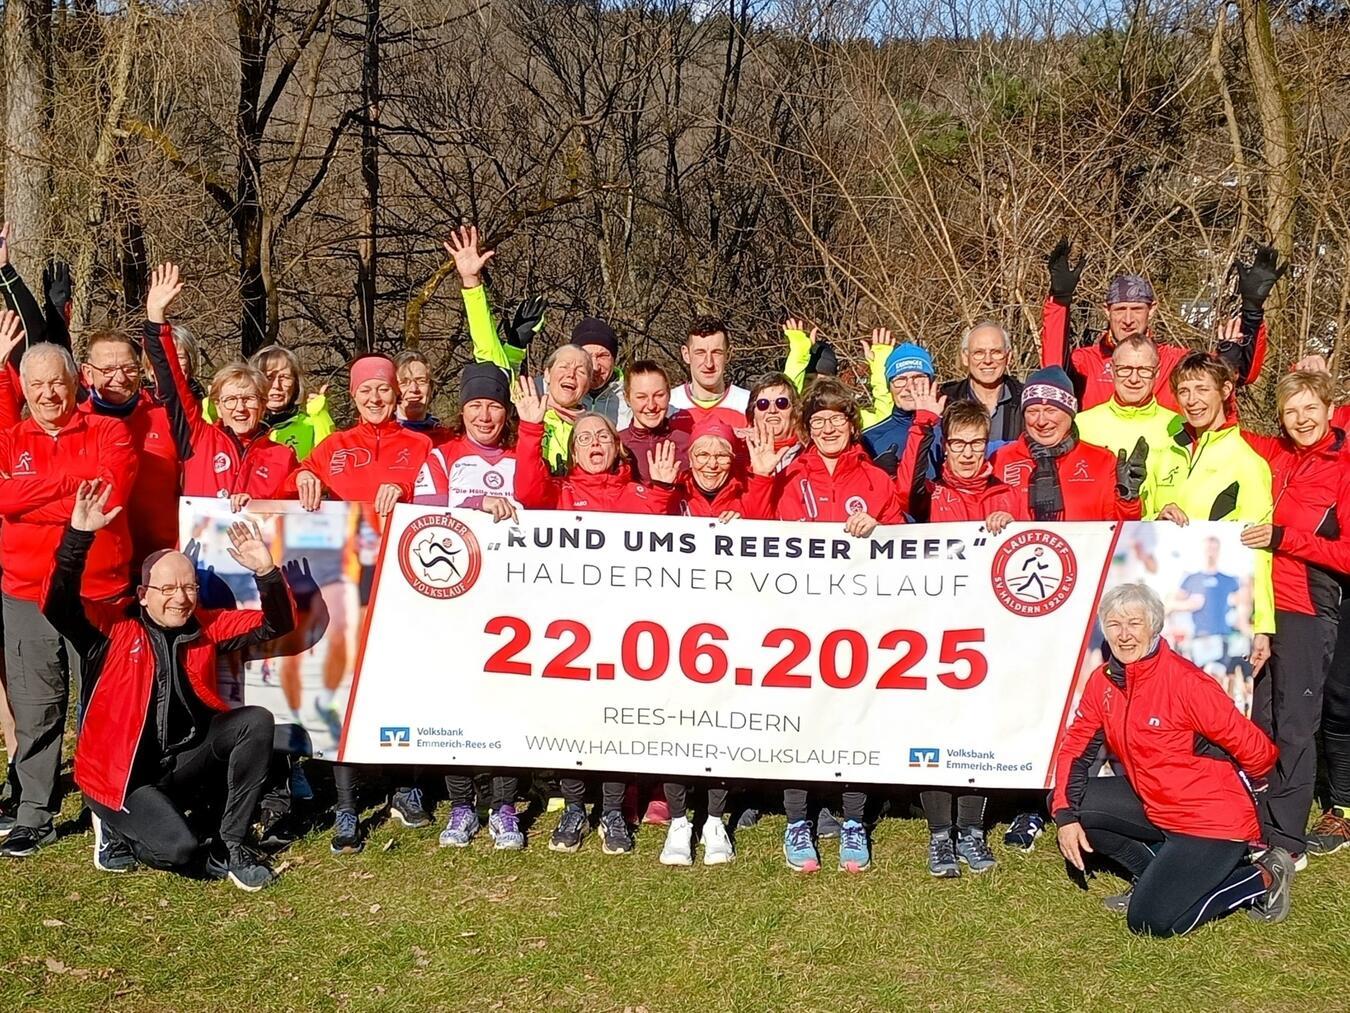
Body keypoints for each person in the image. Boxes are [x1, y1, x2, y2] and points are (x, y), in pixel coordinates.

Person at [46, 481, 294, 890]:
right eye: (167, 589)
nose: (180, 598)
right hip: (123, 775)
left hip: (180, 759)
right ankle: (112, 822)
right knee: (180, 850)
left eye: (189, 587)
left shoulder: (206, 627)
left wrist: (266, 572)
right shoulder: (110, 630)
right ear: (143, 595)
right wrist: (78, 538)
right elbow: (58, 603)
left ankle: (231, 844)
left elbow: (277, 624)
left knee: (256, 721)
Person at [1052, 583, 1293, 935]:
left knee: (1150, 922)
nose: (1124, 635)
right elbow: (1076, 745)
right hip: (1155, 802)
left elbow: (1259, 751)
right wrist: (1064, 817)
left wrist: (1220, 771)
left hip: (1208, 821)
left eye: (1134, 623)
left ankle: (1262, 878)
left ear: (1154, 627)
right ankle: (1154, 877)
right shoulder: (1102, 681)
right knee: (1070, 803)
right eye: (1114, 624)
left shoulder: (1187, 684)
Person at [514, 375, 679, 854]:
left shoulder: (640, 493)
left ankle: (612, 810)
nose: (593, 444)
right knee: (572, 719)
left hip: (624, 632)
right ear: (573, 448)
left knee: (616, 722)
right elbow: (529, 492)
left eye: (603, 436)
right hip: (571, 630)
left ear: (618, 446)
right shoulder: (560, 491)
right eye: (583, 437)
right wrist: (529, 431)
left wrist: (665, 492)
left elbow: (673, 549)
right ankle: (573, 806)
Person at [746, 377, 904, 874]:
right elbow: (754, 529)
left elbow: (906, 544)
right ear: (806, 428)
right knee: (801, 718)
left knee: (855, 717)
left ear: (852, 424)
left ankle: (853, 817)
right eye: (818, 420)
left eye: (837, 418)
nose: (829, 427)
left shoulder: (876, 480)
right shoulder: (790, 475)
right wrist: (762, 478)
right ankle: (798, 819)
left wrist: (880, 530)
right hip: (800, 623)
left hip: (860, 623)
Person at [287, 354, 433, 855]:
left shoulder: (420, 444)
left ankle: (405, 785)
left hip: (404, 586)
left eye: (384, 390)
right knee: (344, 691)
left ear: (398, 395)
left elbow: (440, 498)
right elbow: (297, 479)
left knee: (403, 687)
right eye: (366, 391)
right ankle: (347, 802)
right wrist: (303, 478)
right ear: (352, 397)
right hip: (345, 587)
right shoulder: (334, 447)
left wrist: (408, 486)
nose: (375, 399)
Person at [0, 343, 137, 858]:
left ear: (74, 381)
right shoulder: (10, 438)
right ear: (25, 390)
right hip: (26, 593)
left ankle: (108, 811)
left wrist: (28, 494)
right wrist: (66, 488)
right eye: (35, 385)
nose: (47, 393)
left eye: (55, 381)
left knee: (101, 706)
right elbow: (2, 499)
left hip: (97, 593)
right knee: (37, 708)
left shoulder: (109, 431)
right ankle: (35, 811)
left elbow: (108, 495)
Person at [1235, 370, 1350, 862]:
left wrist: (1284, 538)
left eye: (1310, 409)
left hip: (1307, 605)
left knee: (1295, 723)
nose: (1301, 419)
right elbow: (1224, 423)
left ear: (1329, 409)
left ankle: (1286, 839)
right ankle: (1253, 821)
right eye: (1290, 411)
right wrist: (1235, 358)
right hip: (1259, 602)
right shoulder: (1274, 453)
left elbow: (1346, 553)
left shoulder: (1343, 466)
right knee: (1257, 715)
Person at [1142, 353, 1275, 667]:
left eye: (1202, 389)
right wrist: (1156, 519)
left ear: (1226, 390)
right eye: (1185, 391)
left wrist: (1262, 625)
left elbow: (1260, 548)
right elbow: (1139, 524)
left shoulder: (1247, 463)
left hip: (1214, 612)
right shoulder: (1162, 455)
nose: (1192, 400)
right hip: (1160, 598)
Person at [1040, 239, 1281, 411]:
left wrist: (1251, 312)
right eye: (1120, 310)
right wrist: (1060, 301)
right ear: (1107, 311)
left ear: (1152, 310)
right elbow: (1052, 369)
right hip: (1099, 470)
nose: (1127, 319)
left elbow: (1239, 377)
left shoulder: (1175, 361)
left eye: (1136, 309)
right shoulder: (1085, 362)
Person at [143, 263, 298, 503]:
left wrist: (258, 504)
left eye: (248, 399)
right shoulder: (199, 438)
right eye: (230, 400)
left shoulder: (282, 457)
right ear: (217, 404)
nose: (239, 408)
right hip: (202, 539)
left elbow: (294, 518)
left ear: (264, 403)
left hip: (258, 540)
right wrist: (156, 319)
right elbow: (172, 383)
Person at [991, 365, 1145, 524]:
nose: (1041, 421)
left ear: (1070, 413)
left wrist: (1128, 498)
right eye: (1033, 412)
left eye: (1051, 410)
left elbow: (1121, 531)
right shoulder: (1001, 459)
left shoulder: (1102, 461)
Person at [896, 387, 1024, 531]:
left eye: (976, 443)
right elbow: (906, 493)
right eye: (958, 443)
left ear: (986, 444)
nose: (967, 453)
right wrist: (922, 424)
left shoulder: (1009, 495)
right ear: (945, 446)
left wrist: (1015, 526)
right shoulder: (933, 495)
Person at [1075, 336, 1182, 482]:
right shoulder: (1081, 425)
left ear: (1157, 372)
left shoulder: (1180, 427)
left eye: (1144, 370)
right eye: (1125, 369)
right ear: (1112, 370)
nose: (1133, 379)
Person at [859, 332, 941, 480]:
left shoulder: (951, 429)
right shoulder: (870, 439)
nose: (909, 387)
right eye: (900, 379)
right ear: (889, 386)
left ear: (931, 382)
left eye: (918, 378)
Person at [939, 321, 1024, 447]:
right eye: (979, 353)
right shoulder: (946, 401)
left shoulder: (1026, 400)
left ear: (1009, 357)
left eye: (996, 352)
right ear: (965, 357)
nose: (988, 360)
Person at [247, 344, 336, 461]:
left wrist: (321, 417)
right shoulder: (243, 425)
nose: (276, 385)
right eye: (269, 377)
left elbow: (329, 461)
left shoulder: (309, 425)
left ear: (296, 384)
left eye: (284, 377)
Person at [619, 360, 694, 483]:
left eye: (659, 395)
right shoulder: (618, 446)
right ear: (627, 398)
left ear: (669, 394)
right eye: (641, 397)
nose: (651, 405)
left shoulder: (687, 443)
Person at [667, 317, 750, 427]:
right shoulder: (668, 404)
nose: (709, 363)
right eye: (700, 353)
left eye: (716, 353)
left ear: (728, 355)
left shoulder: (748, 404)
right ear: (686, 355)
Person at [744, 372, 803, 473]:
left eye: (781, 403)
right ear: (752, 413)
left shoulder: (810, 452)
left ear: (795, 411)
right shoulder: (739, 454)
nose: (772, 410)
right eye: (763, 404)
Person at [394, 349, 454, 446]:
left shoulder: (446, 439)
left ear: (430, 387)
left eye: (421, 381)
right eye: (404, 383)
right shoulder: (383, 437)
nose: (414, 389)